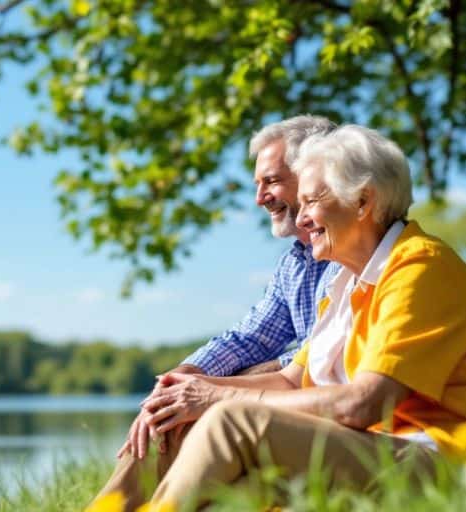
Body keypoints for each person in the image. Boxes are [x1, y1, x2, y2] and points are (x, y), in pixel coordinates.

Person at [117, 125, 466, 510]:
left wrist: (217, 399)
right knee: (197, 440)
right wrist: (190, 391)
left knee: (232, 420)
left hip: (457, 462)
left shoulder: (420, 268)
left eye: (313, 201)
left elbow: (364, 403)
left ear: (363, 201)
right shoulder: (345, 282)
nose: (301, 218)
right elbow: (289, 381)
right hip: (380, 449)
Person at [97, 115, 339, 508]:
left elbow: (312, 365)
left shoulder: (354, 258)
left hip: (327, 416)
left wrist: (208, 392)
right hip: (293, 407)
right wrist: (180, 379)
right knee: (172, 407)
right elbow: (249, 337)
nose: (260, 197)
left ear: (316, 174)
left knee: (205, 403)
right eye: (258, 184)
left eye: (272, 181)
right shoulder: (296, 264)